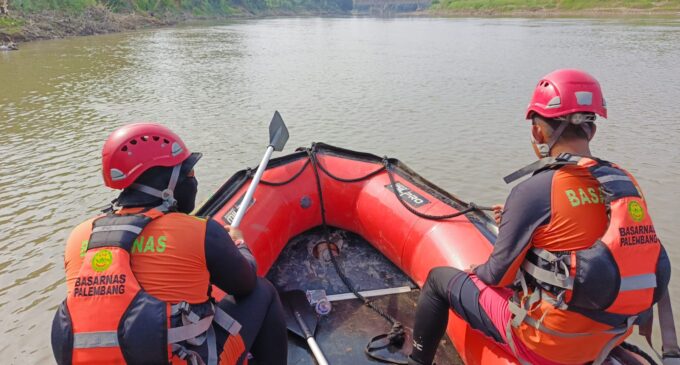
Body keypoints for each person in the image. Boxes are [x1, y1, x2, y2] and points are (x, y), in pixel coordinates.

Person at [408, 69, 673, 365]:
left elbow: (496, 276)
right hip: (612, 332)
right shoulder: (625, 182)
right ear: (592, 131)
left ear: (537, 132)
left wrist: (479, 264)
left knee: (438, 280)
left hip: (547, 343)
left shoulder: (534, 190)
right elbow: (586, 236)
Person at [51, 123, 287, 365]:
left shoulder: (79, 236)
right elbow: (245, 284)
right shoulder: (199, 231)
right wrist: (238, 243)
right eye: (189, 173)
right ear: (169, 185)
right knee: (262, 290)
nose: (192, 180)